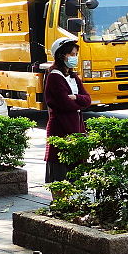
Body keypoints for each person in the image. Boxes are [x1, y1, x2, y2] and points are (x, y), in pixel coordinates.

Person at [44, 37, 91, 183]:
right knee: (60, 173)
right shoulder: (54, 77)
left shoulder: (73, 76)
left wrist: (75, 97)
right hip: (61, 129)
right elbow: (64, 103)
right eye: (71, 54)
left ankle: (70, 205)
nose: (74, 58)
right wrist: (79, 101)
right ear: (61, 55)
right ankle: (59, 204)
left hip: (76, 129)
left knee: (74, 174)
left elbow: (88, 100)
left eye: (75, 55)